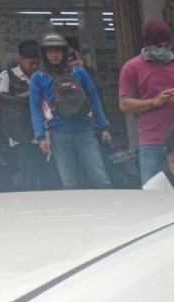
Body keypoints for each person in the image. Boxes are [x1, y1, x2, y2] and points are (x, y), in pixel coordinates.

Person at [118, 20, 174, 186]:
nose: (163, 50)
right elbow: (125, 104)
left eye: (167, 45)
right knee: (152, 189)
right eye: (158, 46)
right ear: (147, 45)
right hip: (152, 140)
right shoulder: (132, 67)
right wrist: (154, 102)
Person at [30, 32, 113, 190]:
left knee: (101, 178)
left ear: (64, 52)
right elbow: (34, 108)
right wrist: (40, 136)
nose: (54, 55)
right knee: (69, 183)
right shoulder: (38, 77)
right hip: (58, 134)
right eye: (49, 51)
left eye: (57, 50)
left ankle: (109, 212)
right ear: (44, 54)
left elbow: (94, 99)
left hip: (84, 131)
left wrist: (104, 126)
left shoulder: (79, 72)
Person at [0, 39, 56, 191]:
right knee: (29, 177)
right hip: (21, 134)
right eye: (31, 63)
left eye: (37, 63)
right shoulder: (7, 76)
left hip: (45, 132)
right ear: (21, 59)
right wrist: (30, 94)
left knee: (49, 176)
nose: (35, 67)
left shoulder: (43, 75)